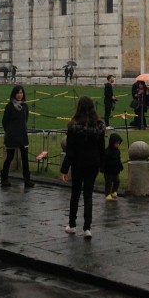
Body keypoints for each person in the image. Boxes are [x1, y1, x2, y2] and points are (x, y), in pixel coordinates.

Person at [60, 95, 105, 238]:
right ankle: (87, 228)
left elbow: (70, 149)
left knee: (75, 193)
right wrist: (102, 166)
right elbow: (101, 148)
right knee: (88, 195)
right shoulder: (99, 126)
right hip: (92, 163)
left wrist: (64, 169)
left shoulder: (73, 126)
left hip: (78, 163)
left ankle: (72, 225)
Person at [0, 85, 35, 188]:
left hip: (22, 135)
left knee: (25, 158)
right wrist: (9, 131)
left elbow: (25, 120)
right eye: (18, 93)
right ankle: (4, 178)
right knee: (10, 157)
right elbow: (4, 121)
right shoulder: (9, 106)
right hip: (12, 136)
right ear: (14, 94)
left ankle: (27, 180)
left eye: (21, 93)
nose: (20, 95)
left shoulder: (25, 106)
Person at [102, 133, 123, 201]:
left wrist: (120, 166)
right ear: (112, 143)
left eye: (118, 143)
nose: (118, 145)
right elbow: (104, 161)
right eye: (116, 143)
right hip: (108, 171)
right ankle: (107, 194)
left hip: (115, 170)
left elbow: (118, 160)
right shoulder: (107, 152)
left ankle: (114, 191)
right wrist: (102, 168)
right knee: (108, 183)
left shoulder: (118, 152)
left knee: (117, 181)